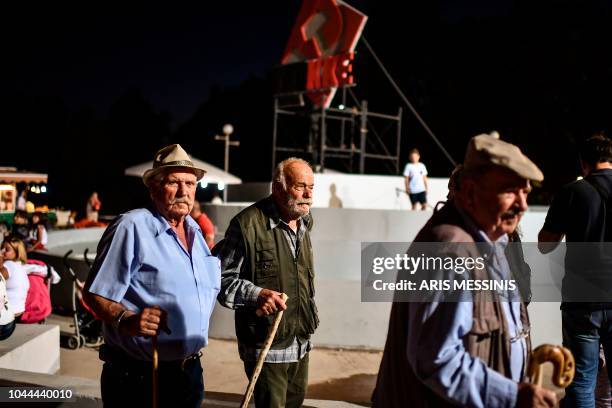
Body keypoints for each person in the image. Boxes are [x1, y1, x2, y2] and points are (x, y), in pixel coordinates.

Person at [372, 134, 556, 408]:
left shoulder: (491, 243)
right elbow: (436, 358)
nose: (523, 205)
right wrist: (512, 395)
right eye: (509, 191)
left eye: (525, 192)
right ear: (469, 192)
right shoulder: (450, 251)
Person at [83, 144, 221, 408]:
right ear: (154, 188)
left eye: (190, 183)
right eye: (174, 182)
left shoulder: (195, 231)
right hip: (140, 376)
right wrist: (127, 319)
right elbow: (94, 292)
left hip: (190, 372)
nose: (184, 191)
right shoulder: (131, 226)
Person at [216, 157, 319, 408]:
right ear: (277, 187)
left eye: (311, 187)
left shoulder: (305, 221)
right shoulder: (246, 225)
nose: (307, 194)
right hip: (266, 344)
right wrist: (257, 294)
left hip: (300, 342)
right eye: (299, 186)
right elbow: (220, 279)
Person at [538, 134, 612, 407]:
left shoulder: (572, 192)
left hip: (582, 301)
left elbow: (545, 245)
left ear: (584, 163)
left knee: (581, 379)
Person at [1, 237, 30, 321]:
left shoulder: (9, 264)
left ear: (17, 253)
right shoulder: (21, 266)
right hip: (19, 312)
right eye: (1, 248)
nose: (2, 251)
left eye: (7, 249)